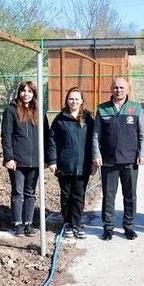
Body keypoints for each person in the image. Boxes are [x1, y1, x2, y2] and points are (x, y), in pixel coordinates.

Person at [92, 77, 144, 241]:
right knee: (108, 196)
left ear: (128, 90)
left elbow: (142, 134)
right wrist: (96, 154)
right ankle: (108, 227)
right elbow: (96, 135)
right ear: (111, 89)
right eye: (115, 87)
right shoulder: (102, 109)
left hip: (130, 160)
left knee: (130, 195)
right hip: (108, 161)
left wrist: (142, 154)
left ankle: (128, 226)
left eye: (122, 87)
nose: (119, 90)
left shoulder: (136, 108)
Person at [47, 87, 95, 239]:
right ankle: (68, 223)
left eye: (76, 99)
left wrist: (94, 161)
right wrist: (53, 161)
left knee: (79, 195)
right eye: (71, 99)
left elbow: (93, 141)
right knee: (66, 195)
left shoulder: (88, 119)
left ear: (82, 101)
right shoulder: (60, 119)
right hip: (64, 165)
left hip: (83, 165)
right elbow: (52, 141)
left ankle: (77, 224)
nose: (73, 101)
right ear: (67, 100)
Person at [2, 81, 48, 237]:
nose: (26, 94)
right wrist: (9, 157)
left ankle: (28, 223)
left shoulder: (39, 112)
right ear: (19, 92)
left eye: (29, 91)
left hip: (35, 160)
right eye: (23, 90)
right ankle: (17, 223)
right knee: (18, 192)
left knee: (30, 193)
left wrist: (46, 158)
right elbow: (6, 135)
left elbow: (46, 136)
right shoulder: (11, 110)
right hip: (17, 160)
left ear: (34, 93)